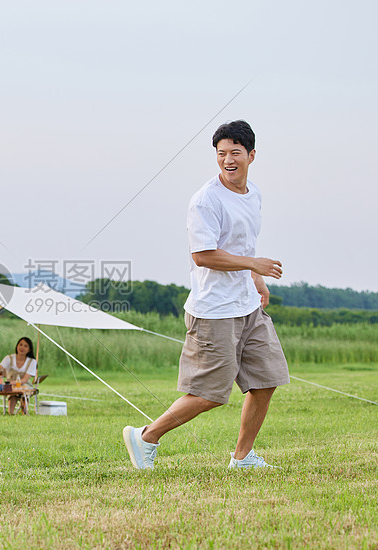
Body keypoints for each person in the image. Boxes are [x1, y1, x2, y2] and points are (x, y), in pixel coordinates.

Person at [123, 120, 289, 471]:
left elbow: (243, 244)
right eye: (221, 154)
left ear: (251, 155)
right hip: (214, 310)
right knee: (209, 393)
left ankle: (242, 458)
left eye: (235, 153)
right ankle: (146, 436)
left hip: (247, 306)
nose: (228, 160)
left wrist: (256, 281)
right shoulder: (205, 200)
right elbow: (203, 255)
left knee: (266, 380)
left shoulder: (253, 194)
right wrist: (254, 265)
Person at [0, 337, 37, 415]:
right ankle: (10, 413)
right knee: (11, 392)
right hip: (10, 386)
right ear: (17, 346)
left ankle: (24, 411)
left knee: (23, 391)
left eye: (25, 346)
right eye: (20, 345)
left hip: (24, 384)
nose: (22, 347)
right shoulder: (9, 358)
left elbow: (25, 380)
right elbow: (0, 367)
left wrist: (12, 382)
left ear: (29, 350)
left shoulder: (32, 361)